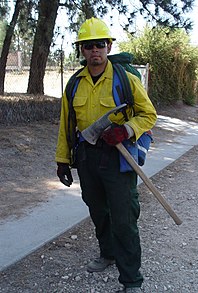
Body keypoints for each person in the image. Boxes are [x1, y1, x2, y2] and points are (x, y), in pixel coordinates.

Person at [55, 17, 157, 293]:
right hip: (87, 158)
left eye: (99, 44)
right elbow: (67, 122)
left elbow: (149, 114)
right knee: (98, 210)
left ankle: (131, 281)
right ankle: (108, 254)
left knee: (124, 217)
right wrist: (63, 160)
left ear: (109, 46)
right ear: (82, 50)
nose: (94, 50)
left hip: (118, 158)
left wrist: (126, 130)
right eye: (87, 46)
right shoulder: (74, 84)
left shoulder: (125, 79)